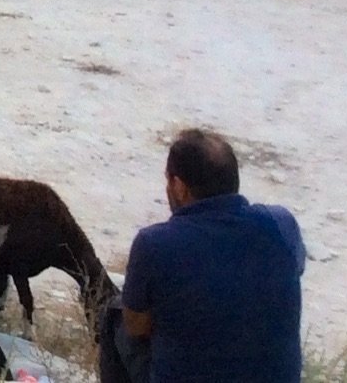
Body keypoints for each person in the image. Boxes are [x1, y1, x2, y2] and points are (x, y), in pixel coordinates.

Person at [118, 128, 306, 383]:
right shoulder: (281, 223)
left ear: (179, 187)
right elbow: (291, 270)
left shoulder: (154, 243)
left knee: (114, 317)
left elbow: (136, 326)